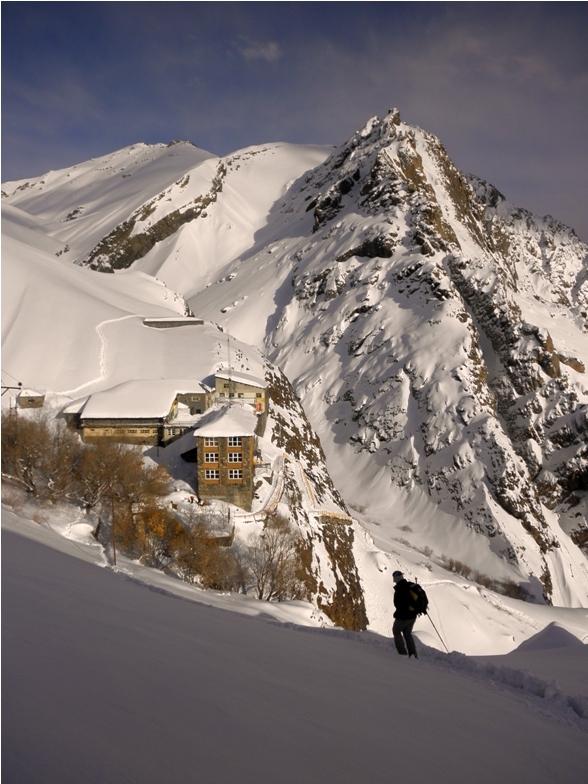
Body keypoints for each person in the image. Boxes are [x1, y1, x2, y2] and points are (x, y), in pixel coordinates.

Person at [392, 570, 419, 659]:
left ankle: (402, 653)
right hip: (413, 616)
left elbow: (399, 604)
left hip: (404, 616)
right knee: (407, 633)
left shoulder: (400, 588)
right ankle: (413, 653)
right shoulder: (408, 585)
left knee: (396, 631)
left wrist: (398, 614)